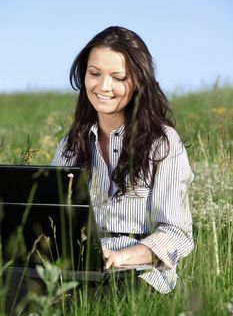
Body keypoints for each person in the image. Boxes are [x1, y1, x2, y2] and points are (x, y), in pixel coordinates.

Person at [51, 26, 194, 294]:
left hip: (139, 275)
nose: (103, 87)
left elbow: (177, 234)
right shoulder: (69, 147)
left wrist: (119, 257)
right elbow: (52, 221)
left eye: (118, 77)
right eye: (94, 74)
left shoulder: (162, 143)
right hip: (76, 271)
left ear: (138, 81)